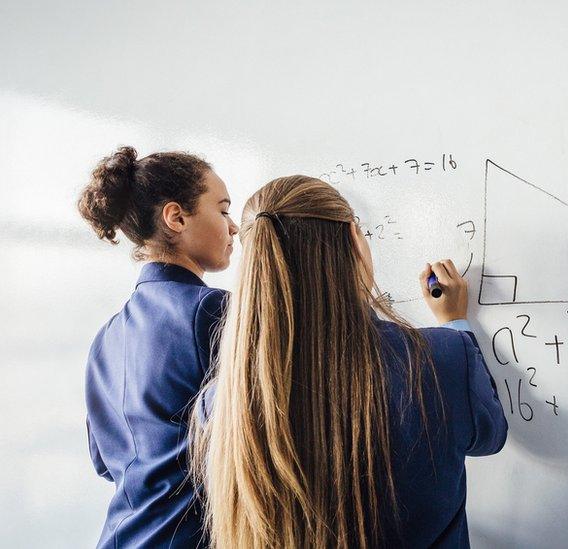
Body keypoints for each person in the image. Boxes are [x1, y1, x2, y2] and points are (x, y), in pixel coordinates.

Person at [191, 175, 507, 548]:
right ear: (355, 241)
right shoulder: (442, 358)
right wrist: (455, 325)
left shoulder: (222, 402)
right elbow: (489, 435)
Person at [78, 146, 239, 548]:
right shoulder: (214, 311)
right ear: (176, 217)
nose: (234, 227)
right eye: (222, 211)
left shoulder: (106, 337)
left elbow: (104, 461)